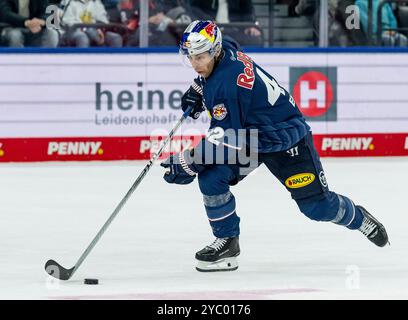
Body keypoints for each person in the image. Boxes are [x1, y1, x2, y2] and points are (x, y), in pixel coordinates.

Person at [160, 20, 389, 272]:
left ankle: (358, 218)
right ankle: (227, 242)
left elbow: (225, 138)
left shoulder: (227, 86)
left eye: (200, 57)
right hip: (252, 137)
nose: (195, 64)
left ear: (214, 51)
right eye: (191, 57)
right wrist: (199, 86)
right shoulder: (224, 50)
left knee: (317, 207)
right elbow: (232, 46)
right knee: (212, 177)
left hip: (285, 138)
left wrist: (188, 161)